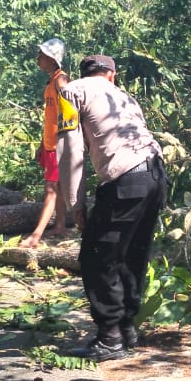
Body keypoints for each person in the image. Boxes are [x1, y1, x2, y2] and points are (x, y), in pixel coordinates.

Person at [59, 54, 168, 361]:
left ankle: (110, 338)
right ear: (111, 75)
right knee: (131, 253)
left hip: (126, 179)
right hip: (156, 175)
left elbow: (72, 149)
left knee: (96, 256)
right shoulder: (126, 97)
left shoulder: (71, 91)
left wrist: (75, 202)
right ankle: (127, 328)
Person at [21, 37, 79, 250]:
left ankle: (36, 236)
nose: (38, 59)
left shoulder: (61, 80)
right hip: (50, 143)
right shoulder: (53, 80)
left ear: (52, 59)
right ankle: (61, 226)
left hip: (58, 145)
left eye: (41, 56)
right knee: (60, 187)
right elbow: (51, 116)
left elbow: (71, 108)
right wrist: (41, 145)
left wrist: (68, 139)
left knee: (51, 189)